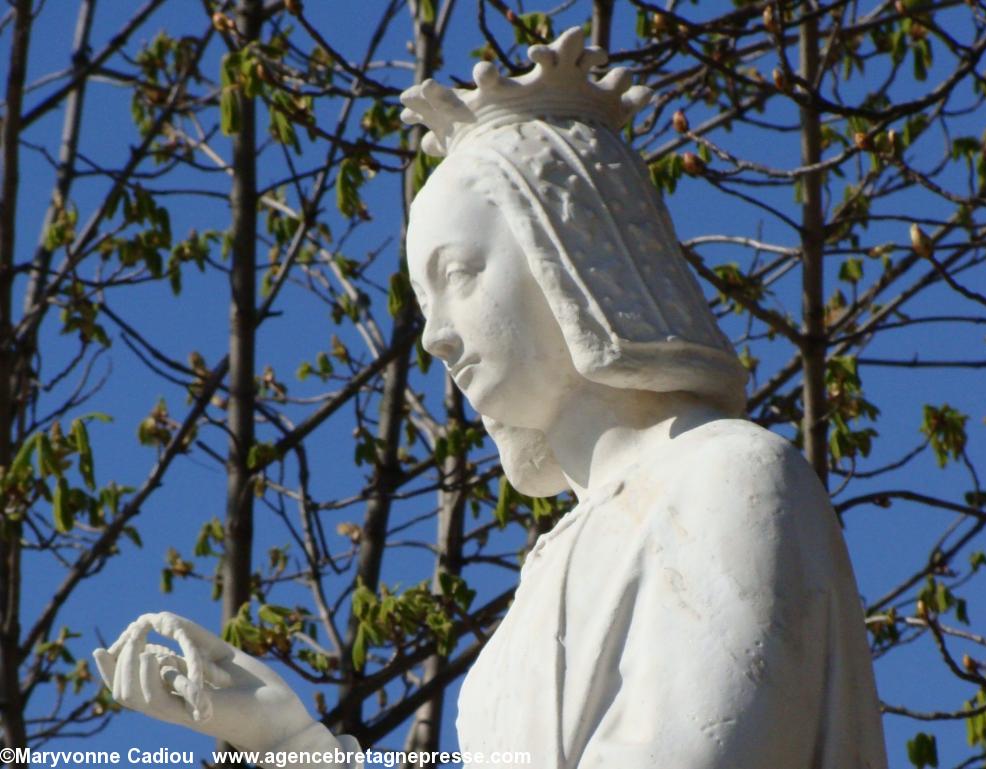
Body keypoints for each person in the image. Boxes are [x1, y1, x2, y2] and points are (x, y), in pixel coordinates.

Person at [95, 27, 888, 769]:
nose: (437, 338)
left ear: (567, 254)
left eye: (459, 274)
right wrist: (288, 737)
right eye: (425, 303)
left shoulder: (727, 479)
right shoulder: (544, 577)